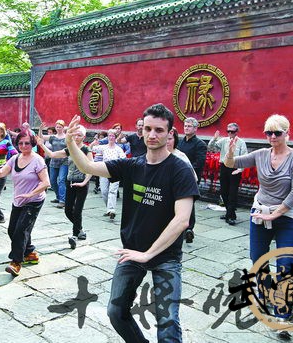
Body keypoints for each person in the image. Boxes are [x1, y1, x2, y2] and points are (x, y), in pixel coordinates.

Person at [66, 104, 198, 342]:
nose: (152, 134)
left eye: (159, 130)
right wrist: (70, 142)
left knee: (167, 323)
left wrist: (148, 254)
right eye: (148, 128)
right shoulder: (131, 165)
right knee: (116, 312)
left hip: (166, 256)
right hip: (132, 251)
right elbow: (87, 166)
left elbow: (182, 220)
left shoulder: (180, 170)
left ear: (170, 133)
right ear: (141, 131)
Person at [225, 114, 293, 328]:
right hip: (261, 211)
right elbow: (231, 163)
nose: (272, 136)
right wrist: (230, 153)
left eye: (277, 132)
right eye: (268, 132)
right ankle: (267, 293)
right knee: (257, 258)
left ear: (287, 133)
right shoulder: (261, 154)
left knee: (285, 263)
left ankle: (284, 308)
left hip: (288, 216)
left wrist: (276, 213)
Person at [0, 130, 50, 277]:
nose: (24, 146)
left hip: (34, 201)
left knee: (21, 230)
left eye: (27, 143)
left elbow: (46, 182)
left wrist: (31, 194)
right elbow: (1, 174)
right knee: (12, 230)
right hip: (18, 200)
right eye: (21, 143)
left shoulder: (38, 160)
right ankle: (30, 252)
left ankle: (16, 262)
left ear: (33, 144)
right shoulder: (15, 158)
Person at [38, 124, 93, 249]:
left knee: (77, 210)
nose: (77, 137)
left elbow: (91, 167)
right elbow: (52, 155)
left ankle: (74, 236)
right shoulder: (70, 149)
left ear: (84, 137)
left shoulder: (86, 150)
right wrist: (41, 144)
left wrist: (85, 182)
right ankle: (80, 230)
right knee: (68, 210)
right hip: (70, 182)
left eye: (79, 135)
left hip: (82, 183)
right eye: (75, 134)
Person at [208, 122, 247, 225]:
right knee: (224, 191)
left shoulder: (241, 143)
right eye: (228, 131)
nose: (230, 133)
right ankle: (230, 213)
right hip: (224, 167)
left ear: (236, 132)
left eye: (232, 131)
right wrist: (214, 138)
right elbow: (211, 148)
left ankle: (229, 216)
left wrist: (240, 169)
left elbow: (244, 157)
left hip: (235, 168)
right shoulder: (224, 141)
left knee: (232, 193)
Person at [177, 117, 207, 240]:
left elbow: (199, 163)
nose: (186, 128)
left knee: (189, 202)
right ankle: (179, 227)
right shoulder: (179, 142)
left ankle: (189, 228)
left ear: (195, 128)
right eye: (185, 126)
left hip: (191, 177)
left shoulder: (200, 144)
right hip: (177, 176)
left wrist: (185, 170)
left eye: (189, 126)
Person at [167, 127, 198, 243]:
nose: (167, 142)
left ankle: (187, 230)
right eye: (165, 139)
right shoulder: (157, 155)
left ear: (175, 140)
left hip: (181, 189)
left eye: (170, 139)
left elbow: (192, 176)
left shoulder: (180, 156)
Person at [91, 129, 126, 220]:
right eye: (109, 136)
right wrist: (94, 142)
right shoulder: (104, 147)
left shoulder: (118, 149)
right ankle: (108, 208)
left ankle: (112, 210)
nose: (111, 138)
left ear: (115, 137)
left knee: (112, 191)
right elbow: (92, 148)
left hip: (115, 171)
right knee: (104, 191)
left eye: (113, 136)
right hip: (104, 170)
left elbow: (123, 158)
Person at [38, 119, 68, 208]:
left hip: (64, 161)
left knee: (62, 180)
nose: (58, 128)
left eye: (60, 127)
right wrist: (40, 129)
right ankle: (58, 197)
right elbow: (41, 137)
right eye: (57, 127)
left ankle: (63, 200)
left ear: (63, 128)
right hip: (54, 160)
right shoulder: (53, 137)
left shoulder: (67, 137)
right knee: (52, 181)